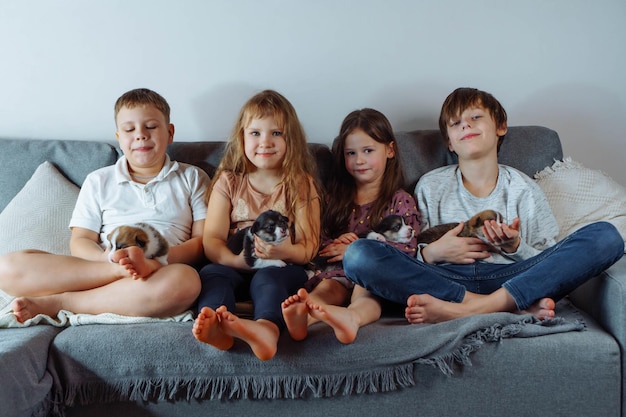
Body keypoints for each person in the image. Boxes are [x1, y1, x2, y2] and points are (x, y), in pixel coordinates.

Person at [343, 87, 624, 324]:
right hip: (444, 280)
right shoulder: (430, 186)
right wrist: (432, 253)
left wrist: (516, 247)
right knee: (358, 254)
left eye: (475, 117)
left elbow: (548, 261)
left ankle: (475, 309)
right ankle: (504, 308)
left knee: (607, 236)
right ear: (450, 143)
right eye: (455, 123)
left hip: (509, 279)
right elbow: (408, 258)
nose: (465, 125)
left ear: (500, 127)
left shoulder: (524, 188)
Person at [0, 88, 209, 322]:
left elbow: (201, 243)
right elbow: (80, 240)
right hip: (103, 265)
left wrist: (155, 261)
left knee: (187, 281)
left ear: (169, 132)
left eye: (150, 126)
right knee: (7, 267)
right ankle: (114, 278)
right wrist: (111, 263)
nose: (140, 135)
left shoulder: (192, 177)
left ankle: (62, 302)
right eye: (130, 129)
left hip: (159, 271)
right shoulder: (99, 180)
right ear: (119, 138)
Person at [192, 89, 321, 360]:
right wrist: (236, 261)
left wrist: (283, 252)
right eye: (255, 133)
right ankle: (217, 325)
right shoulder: (228, 181)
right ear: (242, 138)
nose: (266, 142)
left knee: (268, 278)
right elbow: (212, 240)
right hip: (234, 262)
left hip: (282, 266)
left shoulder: (299, 183)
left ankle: (266, 330)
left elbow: (309, 247)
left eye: (277, 133)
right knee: (212, 275)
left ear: (292, 139)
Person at [281, 108, 420, 344]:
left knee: (366, 291)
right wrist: (338, 245)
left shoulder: (400, 201)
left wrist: (359, 249)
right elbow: (316, 239)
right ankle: (304, 316)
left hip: (374, 276)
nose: (359, 160)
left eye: (368, 150)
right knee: (327, 289)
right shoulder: (334, 199)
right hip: (336, 272)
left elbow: (409, 250)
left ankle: (352, 317)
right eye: (351, 153)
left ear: (390, 150)